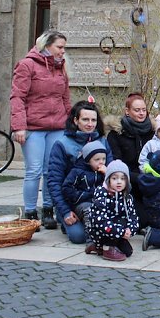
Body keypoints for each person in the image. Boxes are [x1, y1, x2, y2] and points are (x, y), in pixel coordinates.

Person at [10, 30, 71, 230]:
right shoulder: (27, 65)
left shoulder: (61, 68)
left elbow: (65, 99)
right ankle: (29, 213)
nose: (63, 51)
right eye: (59, 47)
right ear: (46, 46)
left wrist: (71, 123)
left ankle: (48, 210)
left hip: (57, 127)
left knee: (51, 171)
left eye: (64, 47)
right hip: (33, 128)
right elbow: (17, 97)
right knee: (34, 171)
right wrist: (19, 127)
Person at [47, 101, 113, 244]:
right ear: (76, 120)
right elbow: (54, 182)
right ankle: (64, 219)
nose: (90, 124)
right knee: (79, 237)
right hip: (72, 201)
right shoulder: (62, 144)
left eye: (93, 120)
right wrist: (64, 211)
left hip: (100, 199)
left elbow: (113, 174)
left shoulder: (103, 141)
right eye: (85, 119)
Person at [88, 160, 139, 261]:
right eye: (114, 178)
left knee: (128, 252)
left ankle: (101, 247)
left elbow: (133, 216)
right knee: (107, 236)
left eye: (122, 179)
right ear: (108, 180)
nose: (119, 182)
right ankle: (103, 247)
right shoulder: (102, 195)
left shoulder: (127, 197)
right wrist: (120, 232)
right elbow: (100, 221)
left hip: (119, 231)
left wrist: (130, 230)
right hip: (103, 231)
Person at [61, 140, 107, 249]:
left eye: (103, 159)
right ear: (87, 160)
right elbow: (66, 189)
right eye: (97, 159)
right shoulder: (77, 172)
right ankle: (91, 240)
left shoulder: (104, 173)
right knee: (89, 210)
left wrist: (107, 175)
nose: (101, 162)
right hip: (82, 203)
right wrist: (84, 195)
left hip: (99, 202)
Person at [106, 93, 154, 185]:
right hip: (124, 182)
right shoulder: (116, 134)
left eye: (144, 110)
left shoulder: (154, 132)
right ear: (127, 111)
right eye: (137, 110)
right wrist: (136, 178)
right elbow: (115, 162)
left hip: (151, 182)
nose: (141, 113)